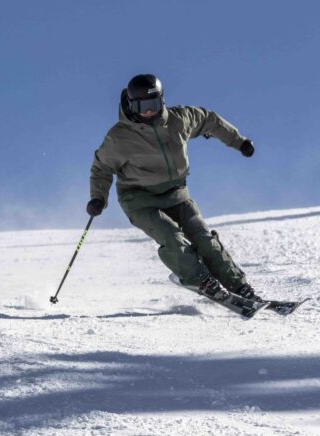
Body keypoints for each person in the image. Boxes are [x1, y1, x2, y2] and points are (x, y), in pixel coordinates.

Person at [87, 73, 260, 302]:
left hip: (177, 194)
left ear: (162, 100)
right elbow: (101, 167)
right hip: (139, 199)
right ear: (131, 105)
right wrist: (98, 197)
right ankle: (199, 279)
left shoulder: (179, 119)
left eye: (154, 104)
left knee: (204, 239)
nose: (149, 111)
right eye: (143, 106)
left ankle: (239, 285)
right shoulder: (120, 137)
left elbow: (210, 121)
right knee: (172, 236)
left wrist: (239, 141)